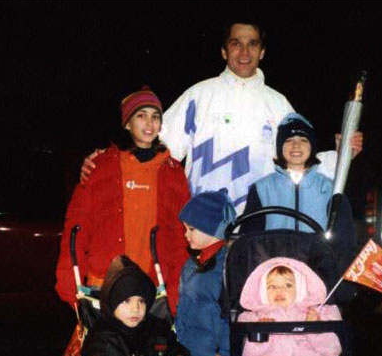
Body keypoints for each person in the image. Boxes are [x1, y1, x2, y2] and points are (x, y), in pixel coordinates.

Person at [28, 87, 190, 356]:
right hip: (103, 285)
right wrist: (70, 279)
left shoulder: (172, 171)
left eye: (155, 116)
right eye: (141, 116)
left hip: (155, 288)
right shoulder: (101, 165)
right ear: (127, 123)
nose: (149, 124)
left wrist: (183, 281)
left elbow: (184, 228)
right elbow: (76, 224)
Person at [80, 20, 363, 214]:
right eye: (236, 44)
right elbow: (153, 149)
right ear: (224, 50)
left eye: (252, 44)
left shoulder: (279, 105)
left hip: (259, 224)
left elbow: (300, 165)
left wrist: (340, 155)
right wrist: (107, 165)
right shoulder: (199, 96)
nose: (244, 52)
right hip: (203, 227)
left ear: (262, 51)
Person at [241, 112, 357, 290]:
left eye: (303, 140)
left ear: (312, 146)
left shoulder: (330, 188)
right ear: (280, 147)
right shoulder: (262, 188)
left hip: (317, 280)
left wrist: (340, 287)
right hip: (275, 281)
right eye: (288, 140)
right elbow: (249, 240)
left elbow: (344, 242)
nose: (296, 145)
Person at [175, 189, 236, 356]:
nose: (186, 235)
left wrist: (226, 348)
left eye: (191, 229)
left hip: (215, 355)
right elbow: (185, 306)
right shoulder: (192, 263)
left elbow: (230, 311)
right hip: (192, 352)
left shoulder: (227, 265)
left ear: (213, 229)